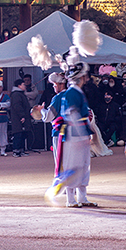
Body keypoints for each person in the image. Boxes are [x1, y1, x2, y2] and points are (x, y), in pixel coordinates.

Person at [46, 55, 98, 208]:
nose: (86, 78)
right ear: (80, 77)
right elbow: (72, 115)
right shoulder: (71, 93)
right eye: (84, 76)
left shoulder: (76, 92)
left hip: (79, 134)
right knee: (73, 166)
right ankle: (71, 199)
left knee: (83, 166)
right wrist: (83, 134)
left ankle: (82, 197)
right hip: (74, 135)